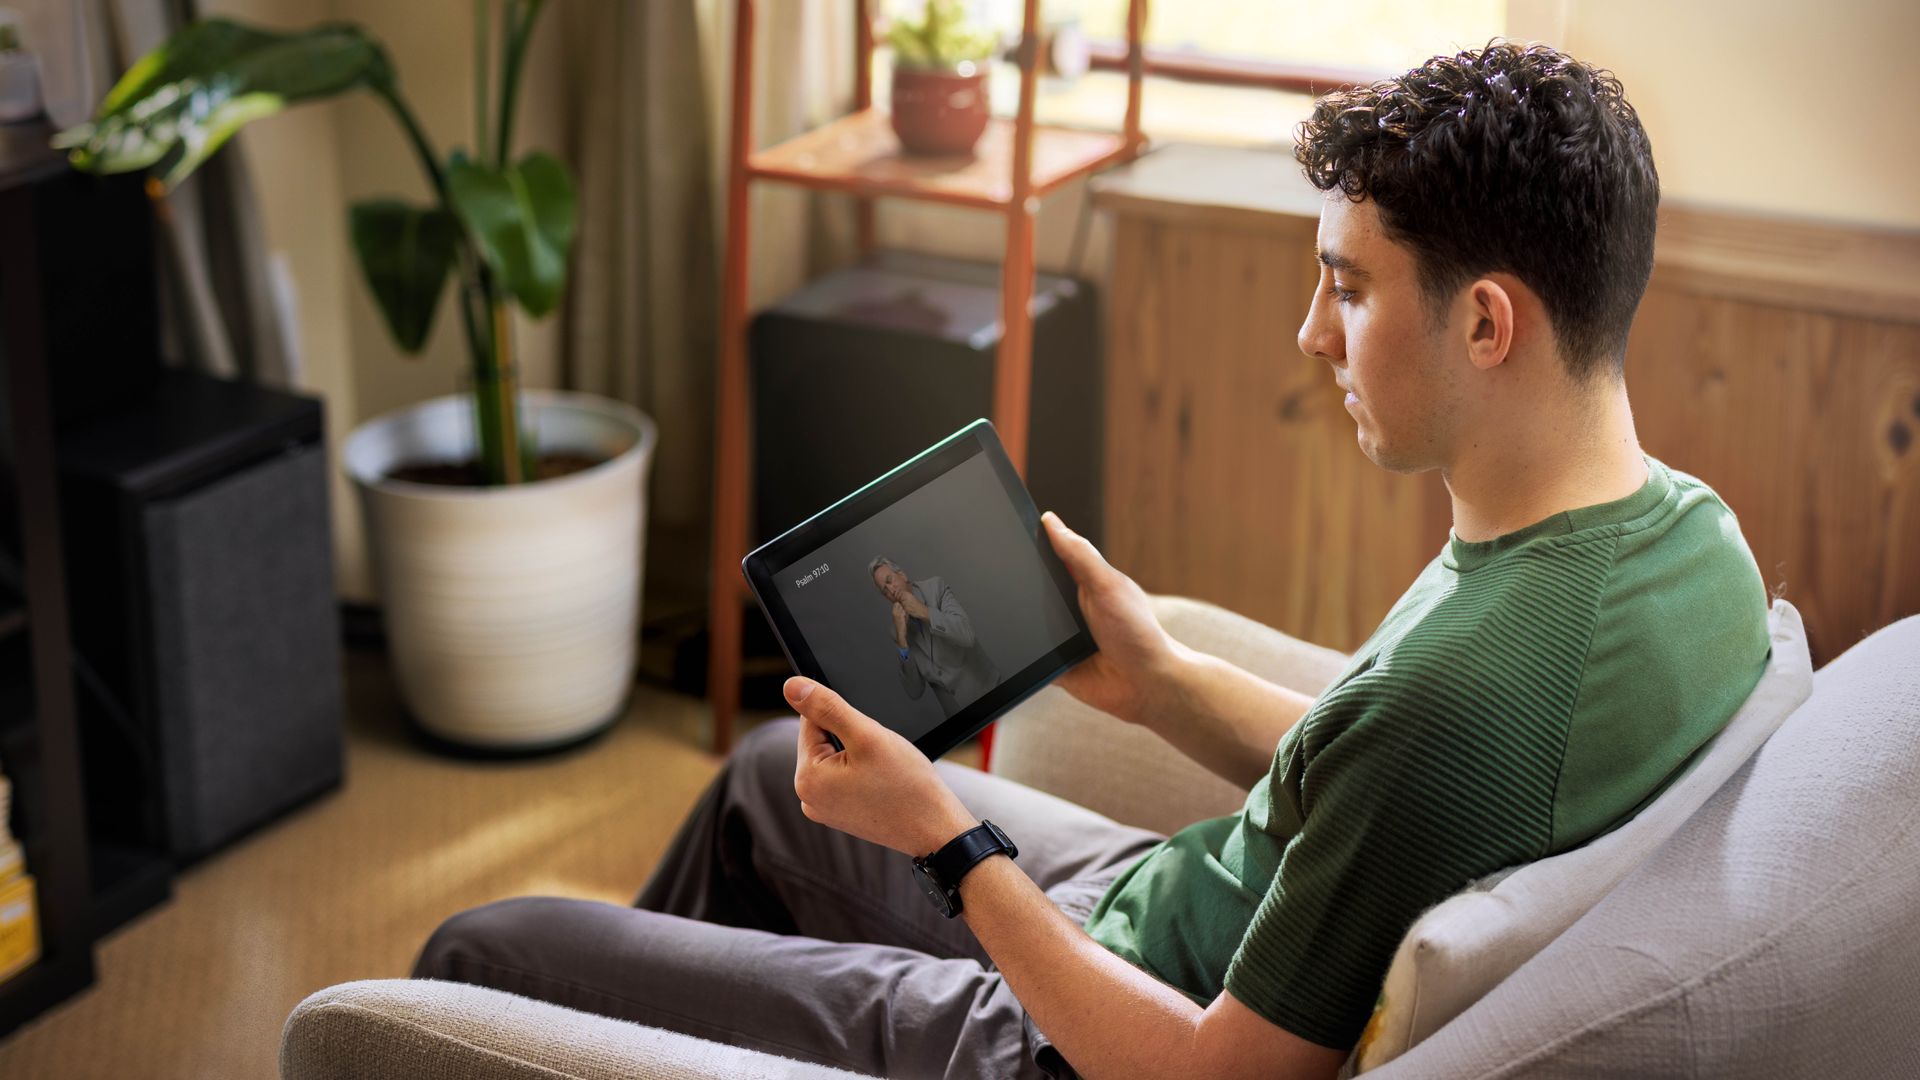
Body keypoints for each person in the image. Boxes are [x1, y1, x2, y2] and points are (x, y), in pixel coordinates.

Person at [413, 41, 1771, 1080]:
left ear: (1487, 323)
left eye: (1348, 288)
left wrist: (949, 842)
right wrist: (1167, 679)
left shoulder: (1470, 701)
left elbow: (1207, 1074)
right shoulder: (1690, 543)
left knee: (485, 959)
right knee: (772, 776)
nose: (1312, 334)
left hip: (1069, 1040)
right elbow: (1392, 790)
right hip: (1155, 905)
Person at [870, 555, 1000, 717]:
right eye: (884, 590)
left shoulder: (936, 587)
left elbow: (967, 635)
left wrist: (924, 612)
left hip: (987, 692)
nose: (890, 591)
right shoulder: (895, 629)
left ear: (902, 575)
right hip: (956, 715)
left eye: (889, 580)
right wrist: (902, 641)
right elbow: (914, 691)